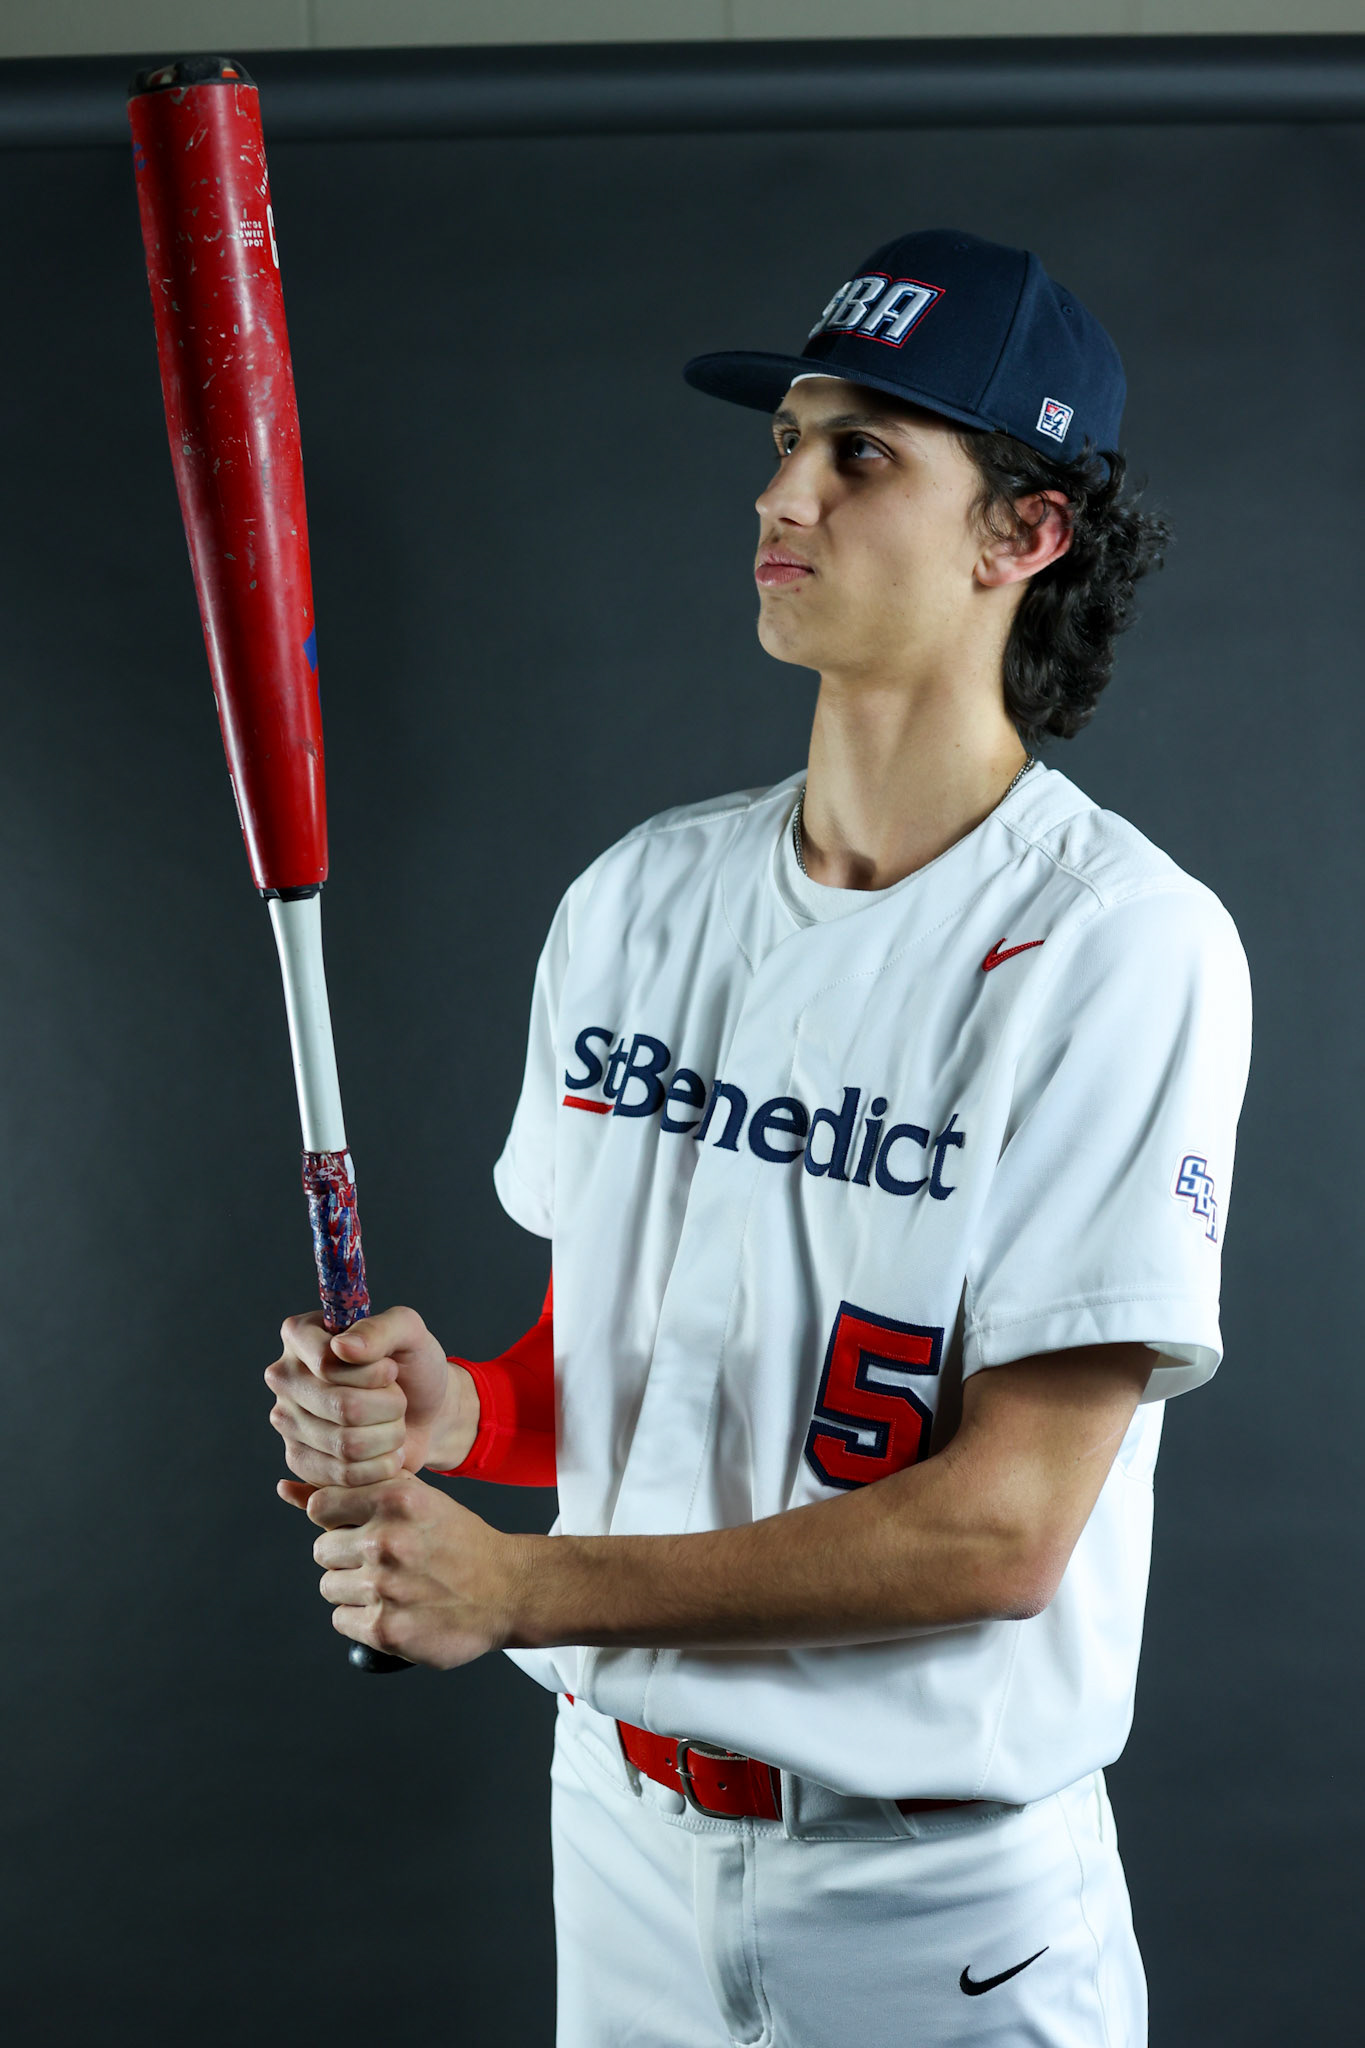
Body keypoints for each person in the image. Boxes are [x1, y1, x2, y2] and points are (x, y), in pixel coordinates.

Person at [265, 228, 1250, 2046]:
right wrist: (466, 1409)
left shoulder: (1121, 948)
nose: (780, 490)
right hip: (618, 1846)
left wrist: (526, 1587)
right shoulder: (638, 900)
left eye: (860, 451)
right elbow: (617, 1362)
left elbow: (1004, 1532)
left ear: (1018, 535)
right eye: (785, 437)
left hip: (934, 1906)